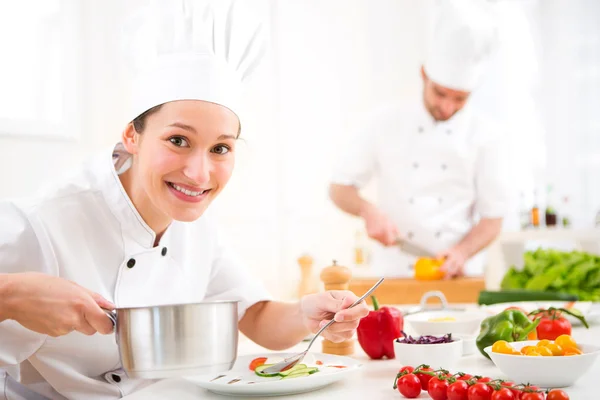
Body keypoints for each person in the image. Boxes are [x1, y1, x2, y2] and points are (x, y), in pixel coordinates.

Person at [0, 1, 368, 399]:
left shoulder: (196, 226)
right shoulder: (45, 220)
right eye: (178, 141)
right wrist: (10, 295)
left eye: (221, 148)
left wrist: (305, 314)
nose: (199, 173)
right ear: (131, 136)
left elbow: (257, 317)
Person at [328, 0, 510, 279]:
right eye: (440, 93)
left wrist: (462, 251)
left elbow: (493, 218)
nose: (447, 107)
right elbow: (339, 189)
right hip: (394, 274)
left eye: (459, 99)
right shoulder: (384, 122)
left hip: (456, 276)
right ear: (424, 74)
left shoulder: (487, 135)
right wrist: (368, 211)